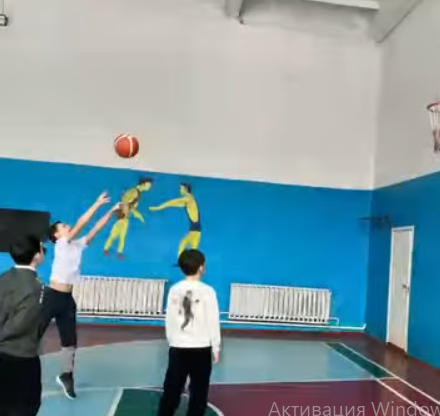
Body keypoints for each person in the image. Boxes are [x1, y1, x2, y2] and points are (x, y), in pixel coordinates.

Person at [39, 191, 121, 400]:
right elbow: (83, 223)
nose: (67, 226)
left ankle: (66, 376)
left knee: (70, 341)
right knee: (33, 334)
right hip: (51, 296)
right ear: (56, 236)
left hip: (67, 299)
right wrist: (97, 204)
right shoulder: (61, 244)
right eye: (63, 226)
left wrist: (111, 212)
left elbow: (95, 229)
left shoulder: (76, 245)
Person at [157, 249, 221, 416]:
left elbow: (170, 318)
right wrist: (216, 347)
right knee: (199, 391)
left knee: (172, 388)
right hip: (201, 348)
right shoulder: (208, 291)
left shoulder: (174, 289)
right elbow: (213, 321)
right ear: (201, 267)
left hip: (178, 347)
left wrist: (172, 341)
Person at [0, 234, 46, 416]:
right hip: (21, 357)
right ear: (36, 256)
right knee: (26, 406)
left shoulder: (4, 277)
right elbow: (20, 325)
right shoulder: (36, 287)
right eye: (41, 248)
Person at [104, 177, 153, 259]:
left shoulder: (138, 193)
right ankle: (106, 249)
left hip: (126, 217)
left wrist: (135, 213)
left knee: (122, 236)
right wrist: (127, 212)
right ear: (143, 184)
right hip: (123, 216)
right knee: (114, 234)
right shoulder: (134, 191)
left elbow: (129, 204)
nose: (150, 187)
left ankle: (119, 253)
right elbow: (124, 201)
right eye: (149, 185)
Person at [149, 183, 201, 257]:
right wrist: (160, 207)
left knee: (184, 244)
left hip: (195, 231)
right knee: (187, 246)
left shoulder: (189, 198)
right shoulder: (187, 201)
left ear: (186, 189)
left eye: (181, 188)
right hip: (195, 230)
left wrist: (158, 207)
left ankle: (182, 259)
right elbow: (172, 203)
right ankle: (184, 260)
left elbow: (174, 201)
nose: (180, 190)